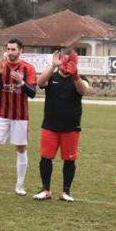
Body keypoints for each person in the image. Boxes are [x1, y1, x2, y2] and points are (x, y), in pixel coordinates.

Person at [34, 47, 89, 201]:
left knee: (69, 159)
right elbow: (39, 83)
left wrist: (76, 76)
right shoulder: (52, 76)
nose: (67, 63)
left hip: (71, 127)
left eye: (71, 60)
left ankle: (66, 191)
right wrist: (53, 66)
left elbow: (84, 91)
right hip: (50, 126)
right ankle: (46, 189)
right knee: (46, 157)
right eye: (66, 59)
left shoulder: (80, 78)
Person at [0, 39, 37, 195]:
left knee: (21, 148)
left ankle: (19, 185)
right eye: (8, 49)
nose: (10, 52)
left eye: (13, 49)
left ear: (20, 50)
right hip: (0, 113)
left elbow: (33, 93)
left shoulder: (28, 68)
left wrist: (21, 82)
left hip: (20, 116)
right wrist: (0, 72)